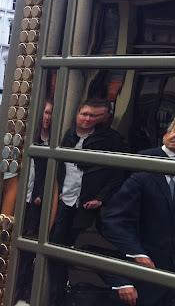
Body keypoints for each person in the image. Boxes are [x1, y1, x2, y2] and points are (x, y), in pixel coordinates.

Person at [102, 108, 175, 306]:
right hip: (144, 277)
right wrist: (137, 254)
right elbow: (113, 219)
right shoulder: (144, 162)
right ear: (164, 133)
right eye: (173, 130)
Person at [50, 98, 126, 306]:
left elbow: (117, 174)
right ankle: (54, 294)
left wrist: (101, 198)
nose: (87, 119)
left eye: (93, 116)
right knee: (55, 250)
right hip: (63, 200)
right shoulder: (66, 136)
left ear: (101, 118)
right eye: (84, 114)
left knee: (77, 253)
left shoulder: (109, 140)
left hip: (87, 207)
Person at [2, 99, 53, 303]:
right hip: (14, 206)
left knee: (23, 257)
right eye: (44, 112)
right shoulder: (13, 141)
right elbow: (10, 185)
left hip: (31, 207)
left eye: (50, 113)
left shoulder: (46, 144)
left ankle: (15, 294)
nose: (47, 117)